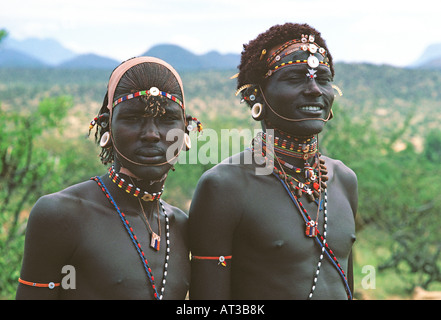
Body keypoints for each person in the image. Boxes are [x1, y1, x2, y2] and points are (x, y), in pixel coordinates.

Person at [189, 23, 357, 300]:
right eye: (295, 78)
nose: (315, 90)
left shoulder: (344, 180)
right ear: (255, 95)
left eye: (323, 78)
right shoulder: (224, 186)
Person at [16, 56, 198, 299]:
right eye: (133, 118)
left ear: (185, 129)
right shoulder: (61, 215)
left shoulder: (182, 226)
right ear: (106, 126)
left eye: (166, 119)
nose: (152, 134)